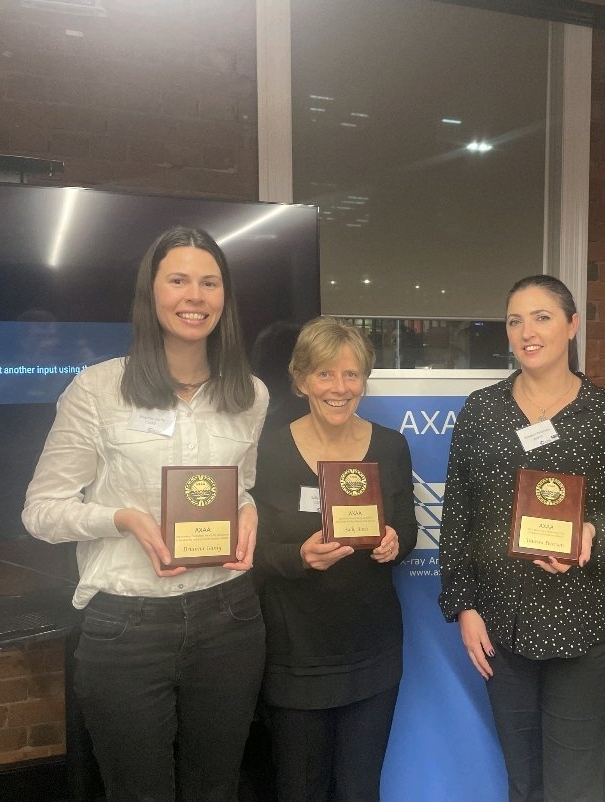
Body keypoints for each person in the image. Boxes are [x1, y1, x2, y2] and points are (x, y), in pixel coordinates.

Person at [22, 227, 269, 802]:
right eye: (178, 280)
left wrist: (250, 511)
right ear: (151, 292)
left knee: (217, 789)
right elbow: (41, 510)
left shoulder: (249, 394)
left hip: (229, 616)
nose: (196, 295)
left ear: (225, 299)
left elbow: (242, 487)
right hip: (127, 626)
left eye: (210, 283)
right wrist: (124, 519)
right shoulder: (98, 389)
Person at [438, 275, 605, 802]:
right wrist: (465, 607)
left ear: (572, 326)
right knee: (523, 780)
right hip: (502, 627)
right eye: (514, 320)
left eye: (542, 317)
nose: (527, 331)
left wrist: (597, 532)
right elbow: (457, 516)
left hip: (587, 624)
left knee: (574, 785)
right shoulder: (481, 413)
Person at [252, 316, 417, 802]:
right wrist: (297, 557)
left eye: (351, 374)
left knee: (361, 789)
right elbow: (251, 550)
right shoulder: (269, 450)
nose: (339, 387)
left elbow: (406, 527)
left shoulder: (391, 445)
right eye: (324, 374)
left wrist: (394, 543)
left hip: (372, 649)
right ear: (301, 380)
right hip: (296, 653)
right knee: (300, 789)